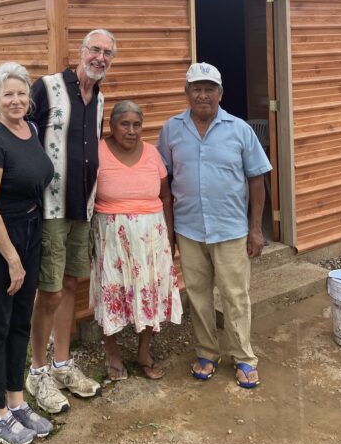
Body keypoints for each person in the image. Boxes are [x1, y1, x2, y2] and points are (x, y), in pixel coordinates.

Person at [157, 62, 271, 389]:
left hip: (231, 229)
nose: (203, 95)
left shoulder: (240, 130)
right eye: (197, 88)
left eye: (209, 89)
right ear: (187, 92)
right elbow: (163, 179)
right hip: (189, 229)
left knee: (235, 296)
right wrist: (167, 231)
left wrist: (256, 229)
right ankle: (207, 352)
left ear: (220, 93)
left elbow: (257, 180)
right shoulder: (171, 129)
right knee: (198, 296)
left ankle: (244, 356)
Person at [25, 29, 116, 414]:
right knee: (48, 289)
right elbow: (18, 130)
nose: (100, 57)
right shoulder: (47, 87)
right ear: (81, 51)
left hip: (83, 207)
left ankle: (62, 364)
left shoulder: (100, 98)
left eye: (107, 53)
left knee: (69, 284)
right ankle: (37, 371)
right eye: (95, 49)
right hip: (49, 207)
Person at [0, 62, 55, 444]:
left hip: (30, 232)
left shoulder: (30, 130)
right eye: (8, 94)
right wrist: (13, 259)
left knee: (20, 321)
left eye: (22, 93)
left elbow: (25, 176)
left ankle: (17, 402)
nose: (16, 100)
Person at [90, 101, 182, 381]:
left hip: (151, 238)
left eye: (137, 125)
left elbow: (165, 196)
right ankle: (113, 353)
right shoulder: (98, 152)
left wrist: (170, 235)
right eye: (125, 124)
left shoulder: (152, 153)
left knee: (149, 292)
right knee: (112, 291)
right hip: (111, 237)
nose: (131, 130)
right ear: (112, 126)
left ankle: (143, 352)